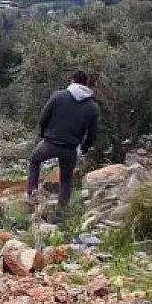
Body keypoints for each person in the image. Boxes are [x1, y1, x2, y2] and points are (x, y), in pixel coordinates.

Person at [27, 71, 100, 208]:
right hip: (71, 148)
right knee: (66, 180)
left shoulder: (58, 96)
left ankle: (32, 192)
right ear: (85, 84)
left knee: (34, 160)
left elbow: (43, 118)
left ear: (72, 81)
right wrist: (85, 147)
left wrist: (44, 134)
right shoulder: (92, 107)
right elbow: (92, 134)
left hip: (51, 142)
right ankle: (62, 211)